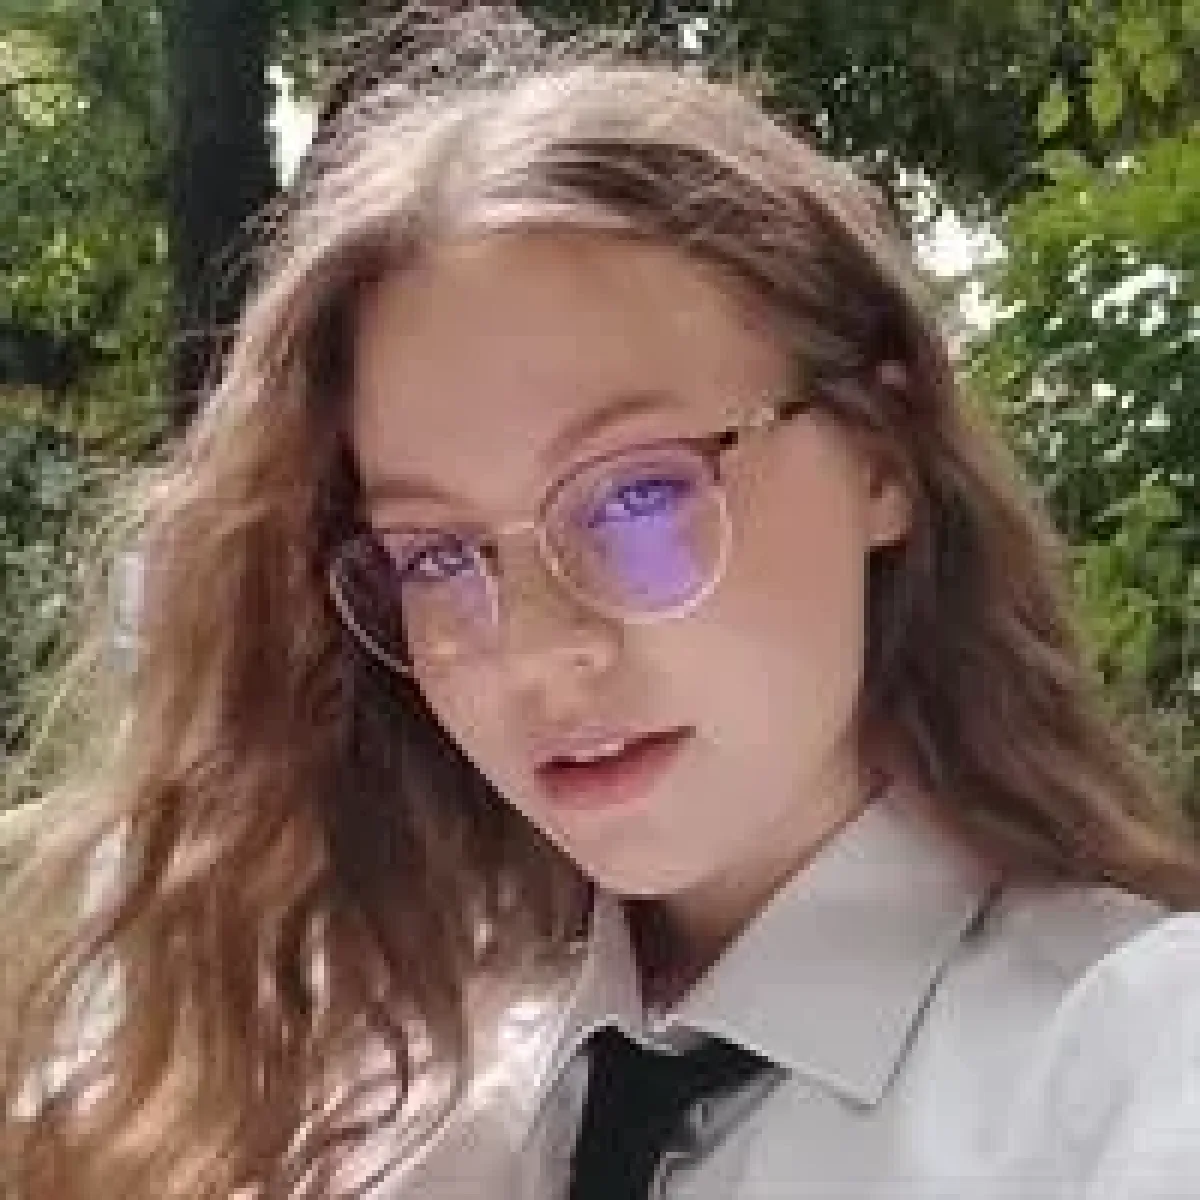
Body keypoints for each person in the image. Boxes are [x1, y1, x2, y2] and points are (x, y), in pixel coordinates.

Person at [4, 5, 1199, 1198]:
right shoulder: (371, 1123)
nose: (534, 651)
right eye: (436, 557)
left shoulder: (1133, 1070)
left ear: (880, 453)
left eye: (635, 498)